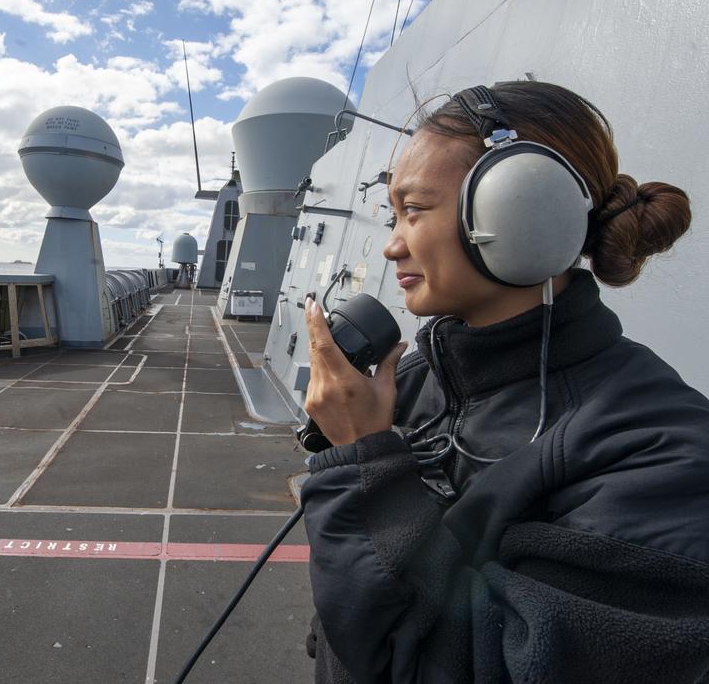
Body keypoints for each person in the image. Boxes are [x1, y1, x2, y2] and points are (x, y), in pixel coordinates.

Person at [300, 81, 709, 684]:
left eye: (413, 210)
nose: (391, 246)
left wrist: (365, 472)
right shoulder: (414, 380)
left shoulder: (660, 451)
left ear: (520, 210)